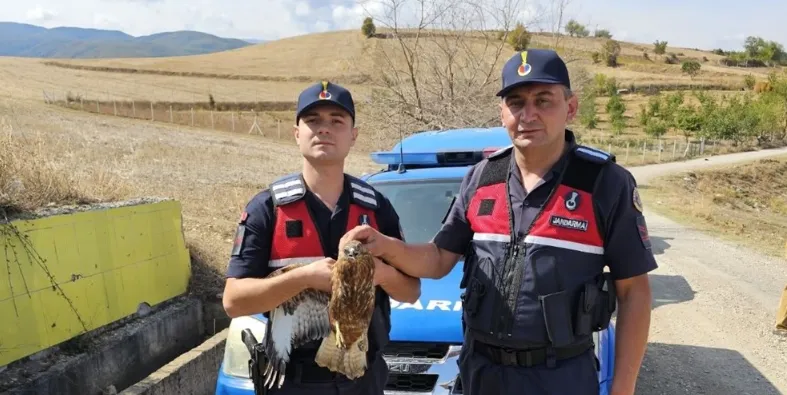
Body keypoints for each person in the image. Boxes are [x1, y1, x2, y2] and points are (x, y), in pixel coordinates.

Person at [339, 49, 657, 395]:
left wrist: (622, 387)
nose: (528, 114)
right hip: (481, 373)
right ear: (502, 111)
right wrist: (386, 246)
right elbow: (438, 258)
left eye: (543, 100)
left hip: (560, 376)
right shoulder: (482, 178)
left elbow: (634, 292)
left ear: (571, 107)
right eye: (516, 102)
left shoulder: (605, 183)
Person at [222, 80, 421, 395]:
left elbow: (411, 291)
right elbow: (233, 301)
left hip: (363, 377)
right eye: (313, 121)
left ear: (353, 135)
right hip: (293, 381)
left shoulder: (376, 208)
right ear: (296, 132)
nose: (324, 129)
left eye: (336, 121)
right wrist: (303, 278)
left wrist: (381, 274)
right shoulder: (267, 209)